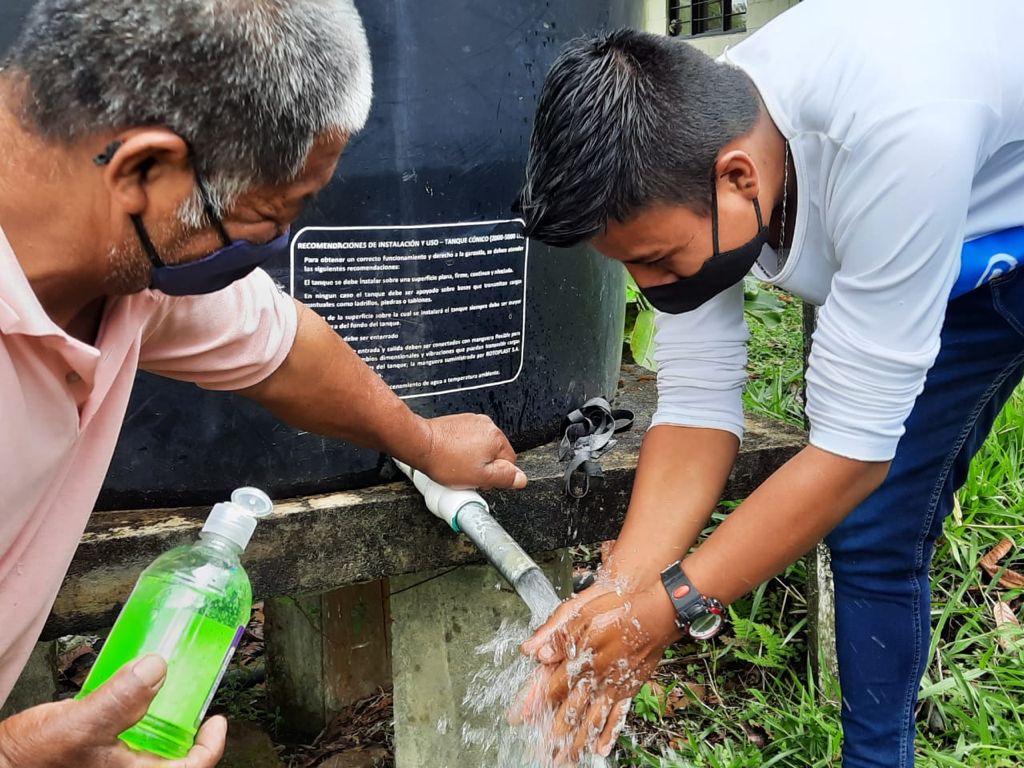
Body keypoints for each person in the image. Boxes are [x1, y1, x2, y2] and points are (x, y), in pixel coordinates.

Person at [0, 1, 527, 765]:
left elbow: (284, 349)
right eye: (266, 217)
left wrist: (426, 442)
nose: (272, 246)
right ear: (144, 167)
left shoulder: (114, 264)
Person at [515, 0, 1024, 765]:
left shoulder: (899, 130)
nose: (647, 282)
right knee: (874, 527)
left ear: (738, 176)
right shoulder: (687, 144)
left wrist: (669, 609)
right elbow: (694, 407)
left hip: (956, 194)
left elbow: (852, 451)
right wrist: (621, 591)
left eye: (654, 259)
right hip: (958, 235)